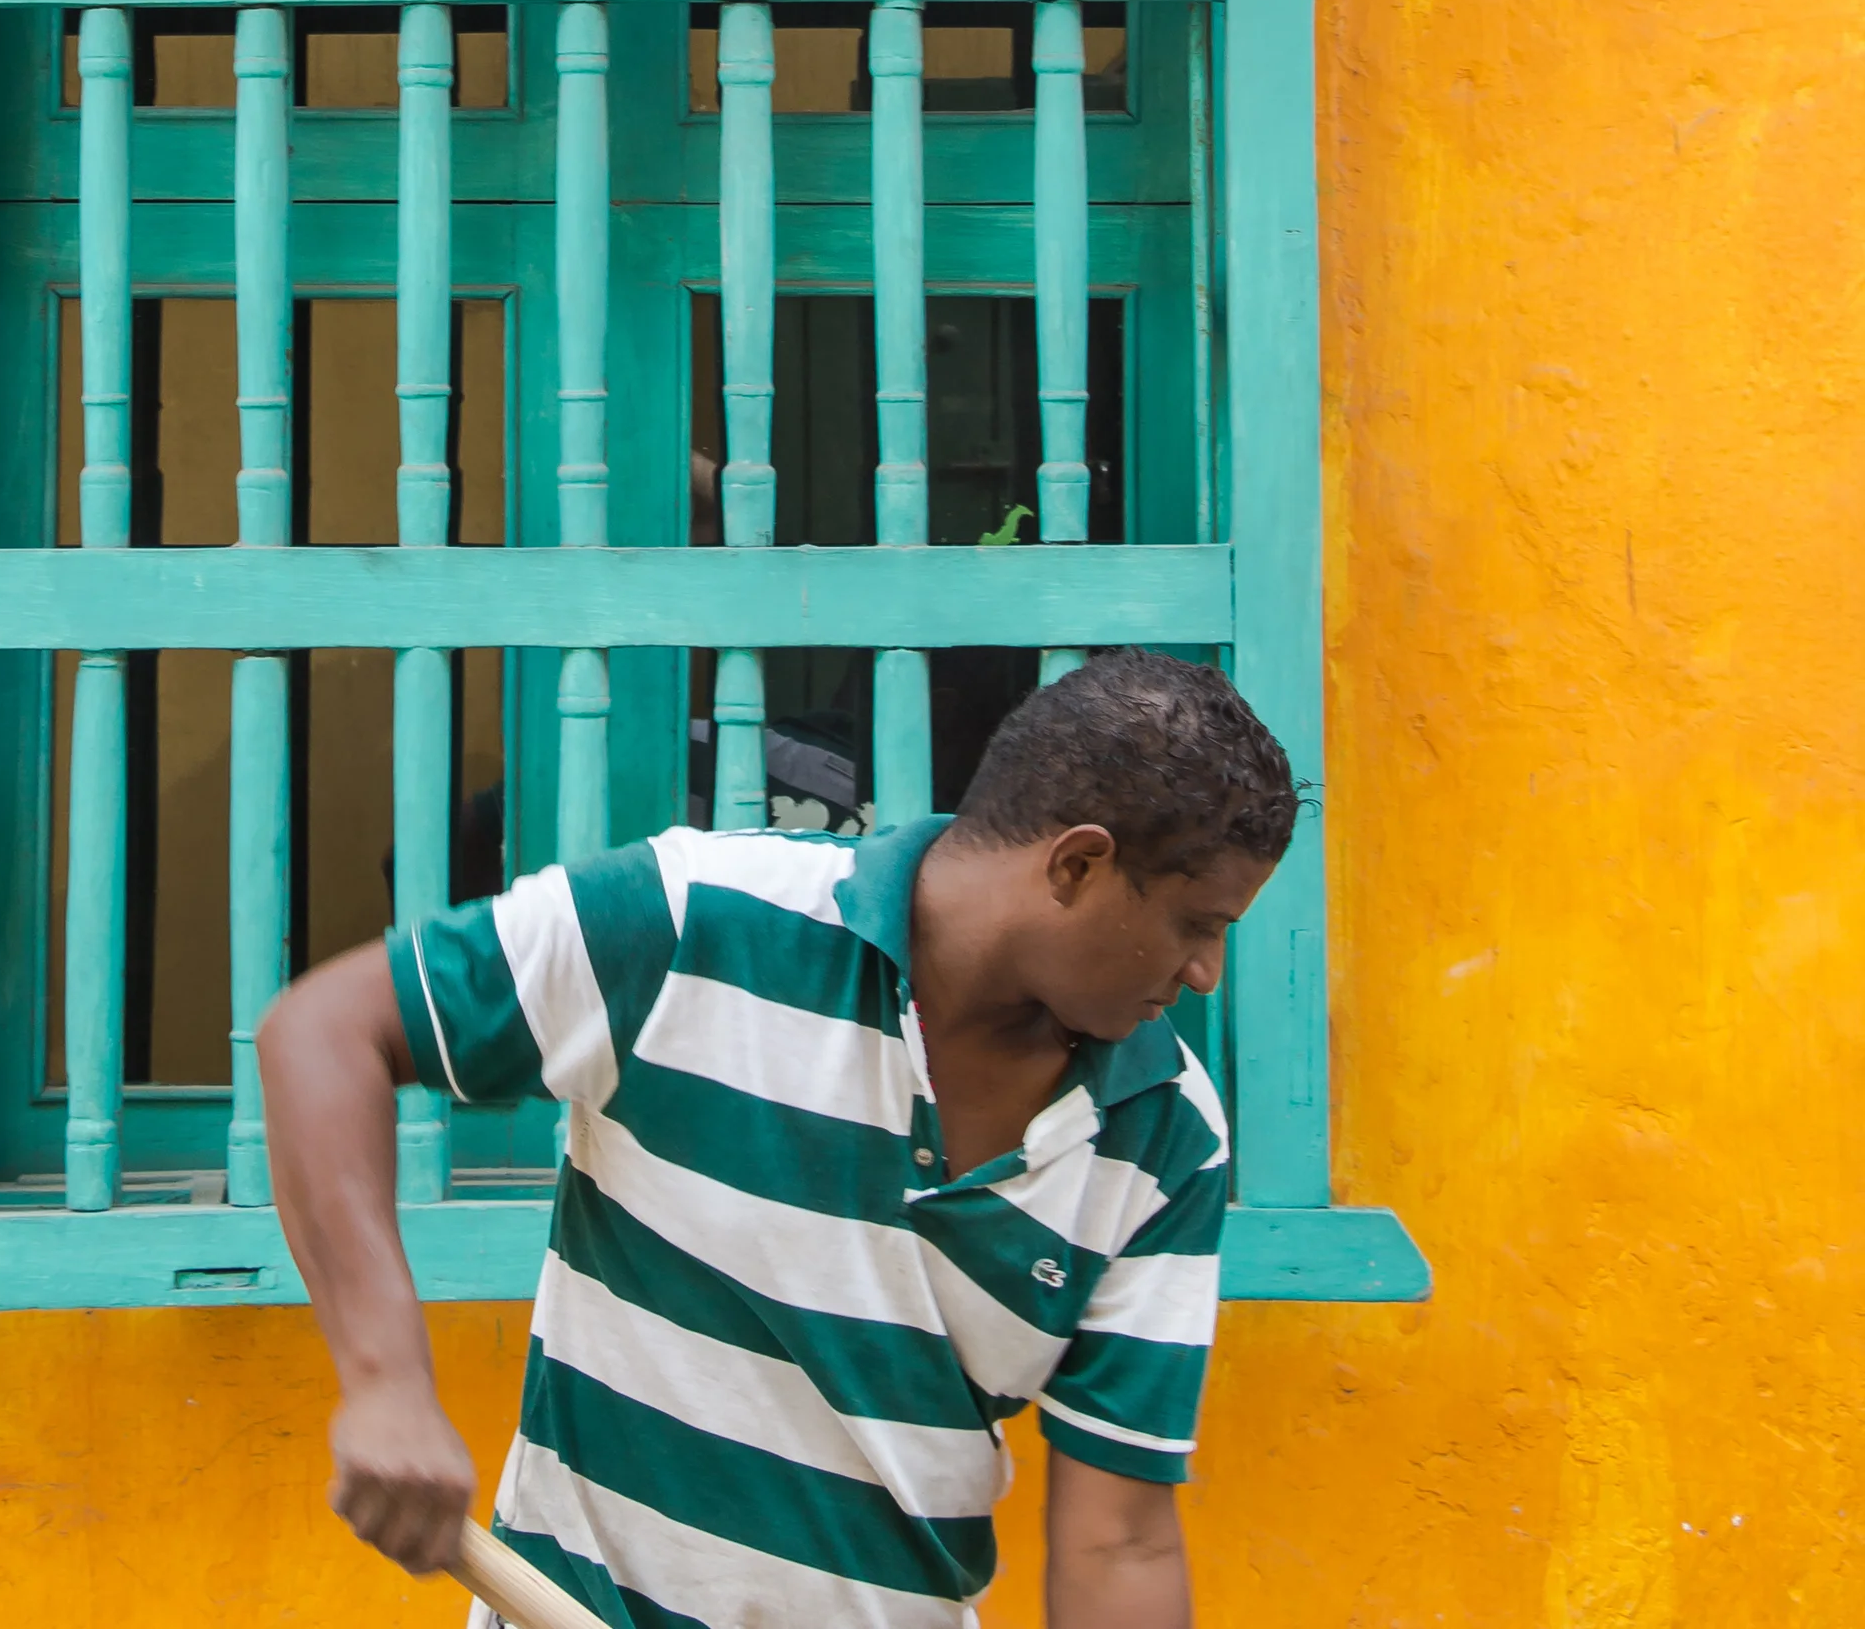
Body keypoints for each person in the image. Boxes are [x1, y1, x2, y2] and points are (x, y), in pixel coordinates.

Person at [260, 648, 1299, 1629]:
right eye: (1196, 925)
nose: (1203, 972)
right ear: (1076, 866)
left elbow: (1118, 1544)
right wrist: (387, 1382)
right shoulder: (693, 922)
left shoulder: (1164, 1133)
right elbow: (322, 1033)